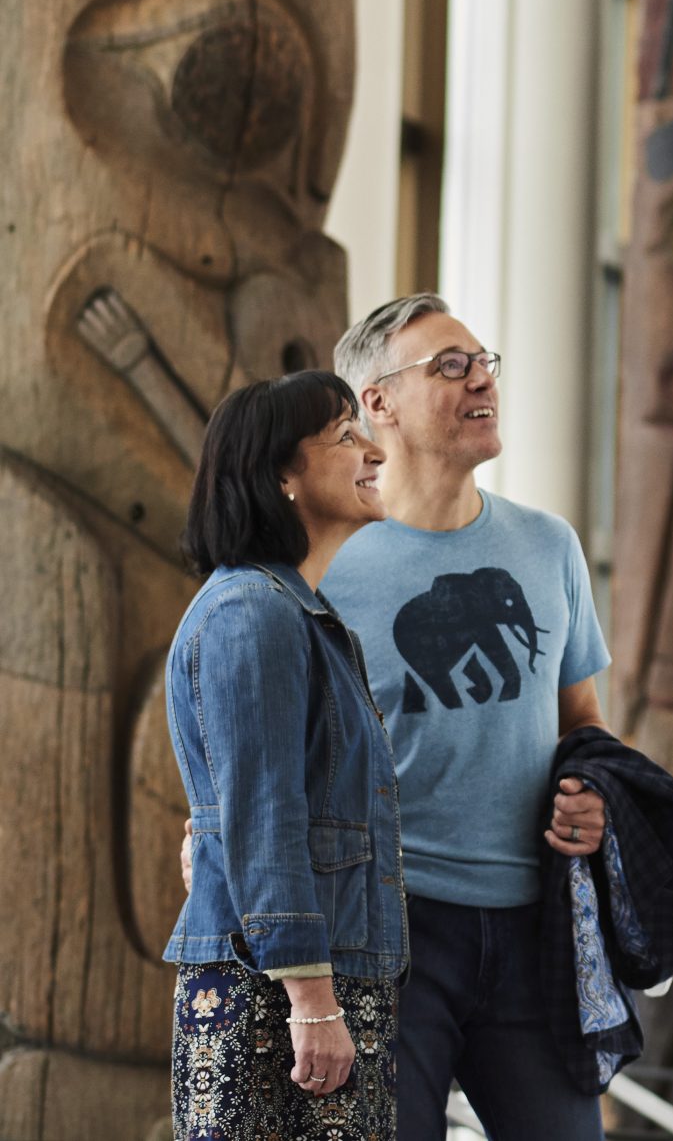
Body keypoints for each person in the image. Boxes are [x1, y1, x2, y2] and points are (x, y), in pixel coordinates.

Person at [325, 294, 616, 1141]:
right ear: (378, 403)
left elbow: (583, 720)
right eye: (451, 366)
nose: (483, 378)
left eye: (484, 360)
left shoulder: (548, 545)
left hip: (533, 930)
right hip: (390, 936)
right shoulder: (331, 566)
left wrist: (593, 795)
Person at [165, 372, 404, 1140]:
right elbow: (265, 819)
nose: (373, 451)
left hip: (310, 981)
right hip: (276, 999)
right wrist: (314, 1004)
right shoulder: (253, 613)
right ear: (281, 475)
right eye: (345, 437)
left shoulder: (295, 612)